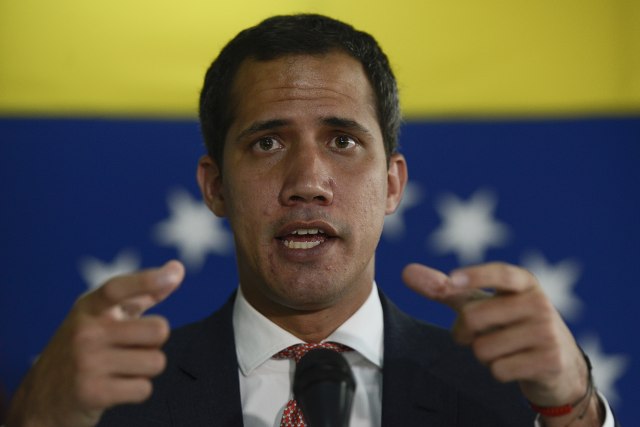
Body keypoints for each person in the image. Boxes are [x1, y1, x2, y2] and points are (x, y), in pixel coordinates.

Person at [6, 14, 617, 427]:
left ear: (392, 184)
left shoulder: (510, 395)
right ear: (215, 187)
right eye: (268, 143)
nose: (307, 181)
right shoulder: (105, 404)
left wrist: (573, 409)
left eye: (343, 141)